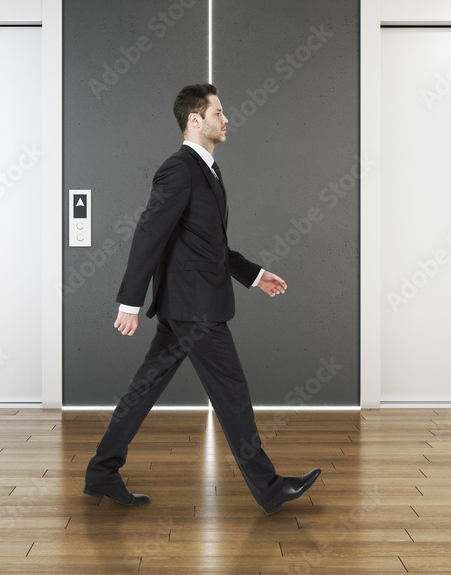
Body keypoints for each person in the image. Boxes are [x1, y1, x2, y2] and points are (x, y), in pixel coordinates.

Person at [83, 83, 321, 516]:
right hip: (196, 310)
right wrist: (129, 302)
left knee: (143, 389)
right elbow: (149, 231)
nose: (226, 119)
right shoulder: (179, 168)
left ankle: (101, 471)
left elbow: (208, 245)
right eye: (218, 112)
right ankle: (268, 488)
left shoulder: (208, 170)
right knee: (232, 394)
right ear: (195, 119)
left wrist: (254, 274)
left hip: (186, 307)